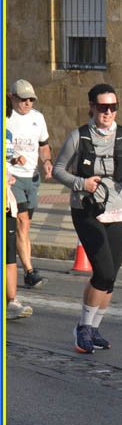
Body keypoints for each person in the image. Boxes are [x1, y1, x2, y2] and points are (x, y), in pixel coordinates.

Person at [52, 83, 122, 353]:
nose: (108, 112)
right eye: (102, 107)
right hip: (86, 209)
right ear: (92, 107)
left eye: (113, 107)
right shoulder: (78, 136)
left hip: (118, 208)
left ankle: (94, 328)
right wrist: (80, 183)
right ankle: (83, 328)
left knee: (111, 276)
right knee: (103, 271)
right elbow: (58, 170)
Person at [6, 79, 53, 289]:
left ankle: (25, 270)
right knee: (22, 223)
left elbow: (43, 145)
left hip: (32, 178)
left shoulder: (38, 118)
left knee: (25, 227)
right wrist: (13, 160)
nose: (27, 103)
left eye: (31, 100)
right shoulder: (6, 118)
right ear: (12, 98)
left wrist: (47, 161)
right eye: (23, 99)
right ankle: (29, 271)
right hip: (12, 178)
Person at [5, 135, 33, 320]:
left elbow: (7, 160)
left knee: (9, 256)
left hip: (7, 204)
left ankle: (11, 303)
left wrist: (14, 161)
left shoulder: (6, 134)